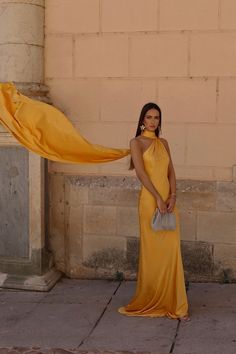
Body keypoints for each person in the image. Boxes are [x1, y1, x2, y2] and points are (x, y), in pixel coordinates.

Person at [118, 102, 190, 321]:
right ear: (142, 120)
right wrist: (158, 197)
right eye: (149, 117)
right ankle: (151, 299)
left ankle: (176, 304)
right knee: (153, 254)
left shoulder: (164, 143)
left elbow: (171, 172)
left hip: (169, 202)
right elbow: (141, 173)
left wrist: (172, 197)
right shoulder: (136, 143)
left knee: (171, 252)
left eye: (156, 118)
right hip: (150, 201)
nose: (153, 121)